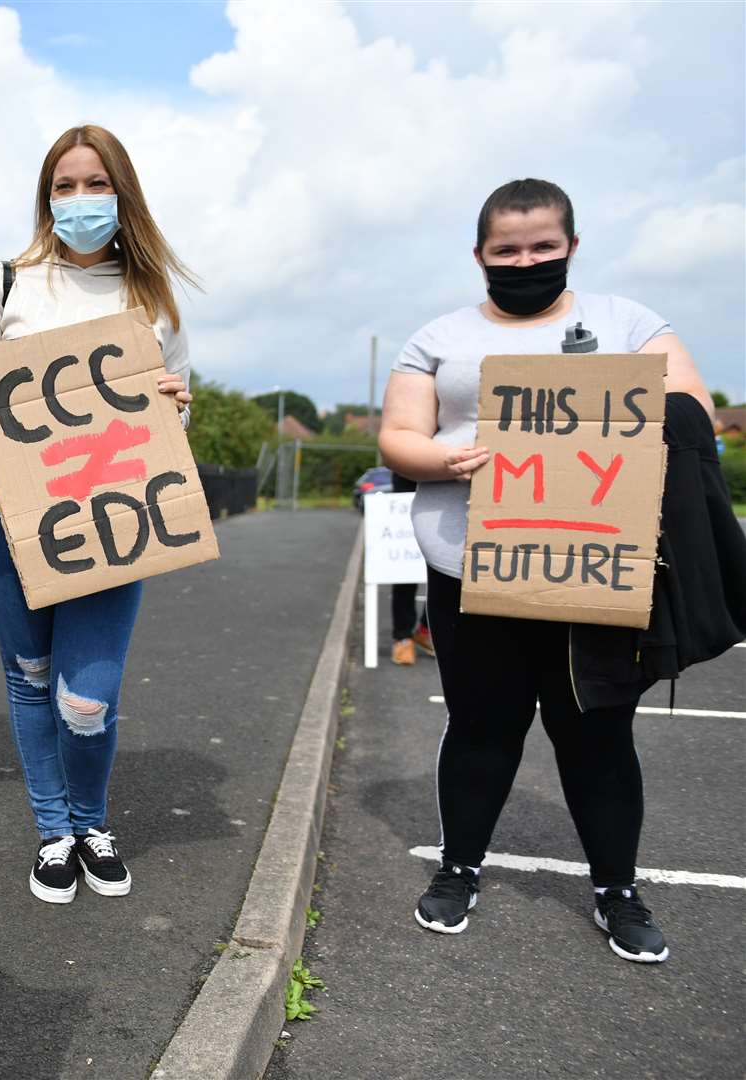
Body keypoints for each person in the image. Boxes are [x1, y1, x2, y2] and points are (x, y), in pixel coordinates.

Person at [379, 178, 714, 963]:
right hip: (472, 567)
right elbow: (399, 436)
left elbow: (690, 407)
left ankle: (617, 890)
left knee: (598, 733)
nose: (524, 261)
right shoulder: (438, 336)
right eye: (507, 250)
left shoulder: (627, 324)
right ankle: (458, 867)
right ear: (480, 255)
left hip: (594, 567)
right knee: (481, 727)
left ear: (570, 246)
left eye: (541, 247)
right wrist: (449, 458)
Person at [0, 125, 197, 904]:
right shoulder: (6, 280)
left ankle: (92, 820)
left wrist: (177, 409)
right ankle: (54, 831)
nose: (80, 200)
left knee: (87, 697)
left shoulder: (153, 302)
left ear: (123, 194)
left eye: (95, 184)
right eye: (65, 185)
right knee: (31, 674)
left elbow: (171, 415)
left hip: (113, 514)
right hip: (4, 509)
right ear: (47, 197)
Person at [388, 471, 433, 666]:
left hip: (450, 480)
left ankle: (425, 631)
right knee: (405, 566)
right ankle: (403, 637)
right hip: (410, 473)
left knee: (447, 571)